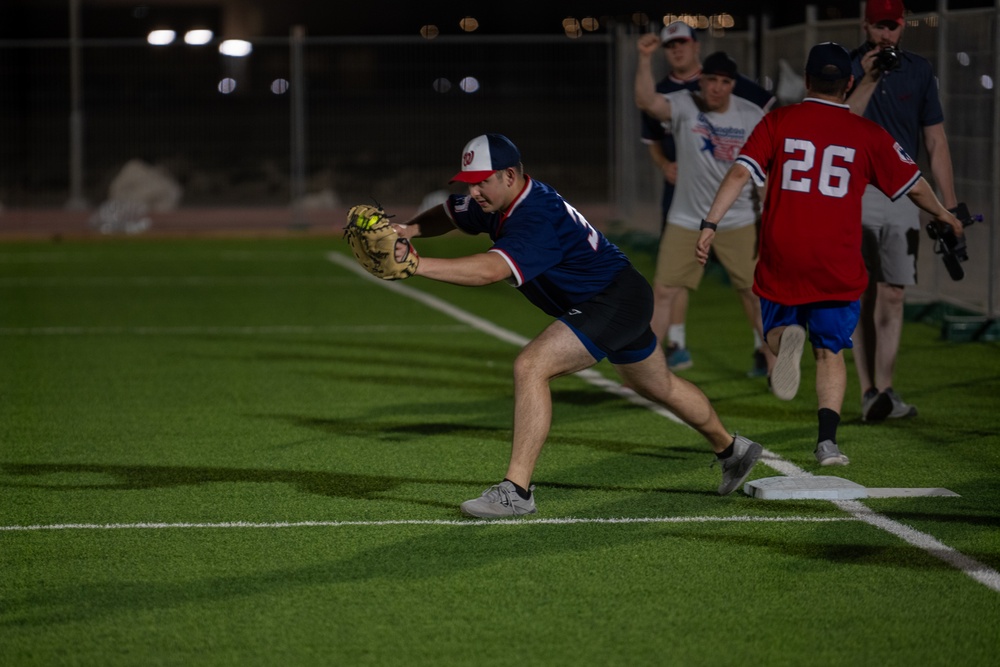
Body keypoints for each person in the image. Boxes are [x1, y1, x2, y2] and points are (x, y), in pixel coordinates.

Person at [393, 133, 764, 517]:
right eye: (470, 181)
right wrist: (408, 230)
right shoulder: (497, 199)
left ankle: (515, 491)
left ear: (508, 175)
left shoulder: (535, 215)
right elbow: (451, 212)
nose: (474, 190)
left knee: (532, 365)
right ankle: (732, 450)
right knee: (658, 384)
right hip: (617, 295)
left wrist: (416, 265)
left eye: (482, 181)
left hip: (610, 300)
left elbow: (489, 271)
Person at [698, 42, 964, 466]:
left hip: (784, 250)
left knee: (774, 333)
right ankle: (827, 444)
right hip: (836, 258)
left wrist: (710, 224)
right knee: (831, 351)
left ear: (806, 80)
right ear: (850, 84)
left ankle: (786, 339)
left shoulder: (779, 121)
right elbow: (913, 184)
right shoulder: (867, 133)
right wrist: (945, 214)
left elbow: (738, 171)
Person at [634, 36, 776, 382]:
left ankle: (775, 368)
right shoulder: (684, 104)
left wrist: (771, 215)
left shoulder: (751, 114)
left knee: (755, 295)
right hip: (687, 220)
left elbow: (765, 171)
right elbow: (646, 100)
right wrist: (643, 58)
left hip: (740, 219)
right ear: (702, 80)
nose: (716, 87)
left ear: (732, 84)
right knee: (664, 291)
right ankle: (643, 373)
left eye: (724, 81)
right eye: (711, 80)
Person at [847, 0, 959, 422]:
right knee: (861, 290)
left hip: (903, 192)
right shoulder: (849, 66)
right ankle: (867, 391)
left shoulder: (919, 69)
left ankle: (886, 389)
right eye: (879, 26)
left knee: (894, 291)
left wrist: (947, 207)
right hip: (854, 191)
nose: (887, 35)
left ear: (903, 26)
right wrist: (870, 75)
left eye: (892, 26)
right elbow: (843, 120)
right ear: (866, 26)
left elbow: (935, 141)